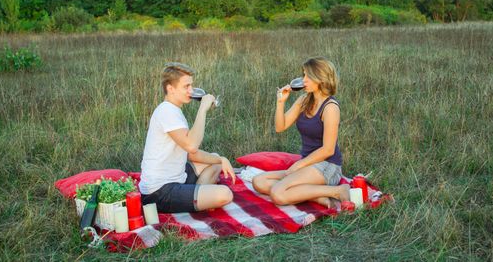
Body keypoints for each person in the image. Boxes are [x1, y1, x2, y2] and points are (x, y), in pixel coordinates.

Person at [252, 57, 350, 208]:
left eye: (308, 76)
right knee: (259, 181)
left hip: (327, 166)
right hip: (307, 164)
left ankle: (338, 190)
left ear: (321, 78)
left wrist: (298, 165)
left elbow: (328, 149)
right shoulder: (304, 100)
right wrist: (281, 102)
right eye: (303, 75)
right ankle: (318, 197)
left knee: (278, 193)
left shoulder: (330, 108)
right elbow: (280, 127)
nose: (303, 80)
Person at [139, 62, 235, 213]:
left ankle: (195, 197)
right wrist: (202, 109)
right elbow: (192, 146)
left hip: (178, 177)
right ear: (170, 89)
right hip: (159, 192)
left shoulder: (174, 110)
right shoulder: (166, 111)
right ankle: (197, 199)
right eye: (186, 86)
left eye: (191, 85)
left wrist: (222, 159)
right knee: (225, 194)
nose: (191, 90)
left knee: (216, 160)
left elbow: (190, 153)